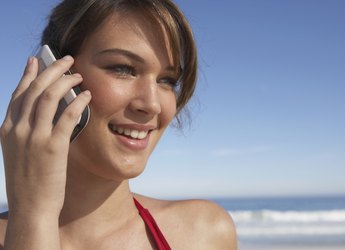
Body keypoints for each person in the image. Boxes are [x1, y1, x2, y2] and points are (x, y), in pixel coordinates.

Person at [0, 0, 237, 249]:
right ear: (54, 74)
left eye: (167, 80)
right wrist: (34, 215)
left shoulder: (203, 233)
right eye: (123, 69)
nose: (152, 104)